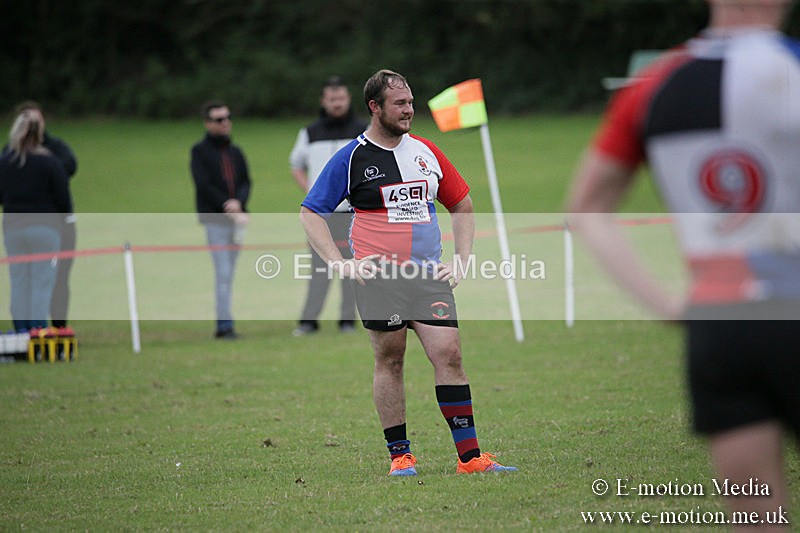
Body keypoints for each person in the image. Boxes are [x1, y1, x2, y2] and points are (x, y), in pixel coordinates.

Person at [567, 0, 798, 528]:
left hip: (721, 325)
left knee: (756, 517)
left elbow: (586, 209)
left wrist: (666, 303)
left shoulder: (654, 85)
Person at [300, 69, 516, 476]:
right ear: (375, 107)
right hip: (379, 280)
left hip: (428, 278)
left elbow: (463, 204)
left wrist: (462, 257)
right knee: (391, 360)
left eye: (411, 102)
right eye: (400, 104)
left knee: (449, 354)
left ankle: (470, 458)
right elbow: (311, 211)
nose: (409, 110)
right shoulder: (351, 158)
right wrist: (340, 263)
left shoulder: (426, 152)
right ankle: (400, 455)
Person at [289, 76, 367, 336]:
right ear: (324, 101)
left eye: (341, 98)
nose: (337, 103)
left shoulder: (363, 130)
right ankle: (309, 321)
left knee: (351, 268)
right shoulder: (310, 132)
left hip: (351, 214)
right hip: (320, 216)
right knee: (319, 269)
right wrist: (313, 194)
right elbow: (296, 165)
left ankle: (347, 322)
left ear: (348, 99)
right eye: (332, 99)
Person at [5, 101, 79, 329]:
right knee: (40, 283)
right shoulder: (49, 161)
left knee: (18, 283)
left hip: (13, 228)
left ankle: (21, 331)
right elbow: (64, 199)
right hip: (45, 228)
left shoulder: (6, 160)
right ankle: (38, 333)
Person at [190, 100, 251, 339]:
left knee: (230, 273)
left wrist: (240, 204)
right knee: (223, 273)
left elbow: (246, 182)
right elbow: (203, 184)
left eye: (227, 118)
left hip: (237, 222)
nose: (225, 123)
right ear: (208, 123)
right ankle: (224, 325)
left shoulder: (235, 152)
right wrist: (228, 205)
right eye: (218, 119)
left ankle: (226, 320)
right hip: (215, 221)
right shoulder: (200, 151)